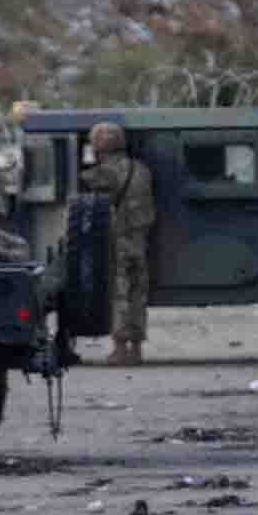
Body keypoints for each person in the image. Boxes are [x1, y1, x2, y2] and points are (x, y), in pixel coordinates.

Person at [81, 120, 159, 363]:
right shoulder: (143, 170)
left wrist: (86, 162)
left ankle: (120, 348)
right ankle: (136, 347)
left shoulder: (102, 174)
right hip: (140, 240)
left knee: (119, 294)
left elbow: (84, 183)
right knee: (138, 294)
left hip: (118, 241)